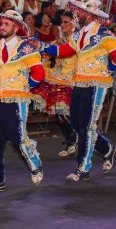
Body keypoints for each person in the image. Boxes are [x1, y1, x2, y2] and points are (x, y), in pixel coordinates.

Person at [43, 0, 116, 181]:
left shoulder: (104, 35)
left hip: (96, 84)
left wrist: (107, 70)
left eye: (79, 12)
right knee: (76, 121)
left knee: (87, 126)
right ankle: (107, 148)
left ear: (89, 15)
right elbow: (64, 51)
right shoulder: (79, 35)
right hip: (80, 82)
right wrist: (42, 47)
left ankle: (83, 167)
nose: (76, 14)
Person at [0, 10, 45, 192]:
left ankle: (35, 164)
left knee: (18, 138)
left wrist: (22, 87)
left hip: (16, 100)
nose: (2, 27)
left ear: (16, 26)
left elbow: (39, 73)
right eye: (1, 24)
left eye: (7, 24)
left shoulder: (26, 48)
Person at [33, 11, 79, 157]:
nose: (63, 25)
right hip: (58, 78)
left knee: (66, 113)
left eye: (66, 22)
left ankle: (75, 139)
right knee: (59, 113)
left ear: (74, 23)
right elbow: (49, 52)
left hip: (73, 80)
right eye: (62, 22)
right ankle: (72, 139)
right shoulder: (61, 40)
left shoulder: (77, 40)